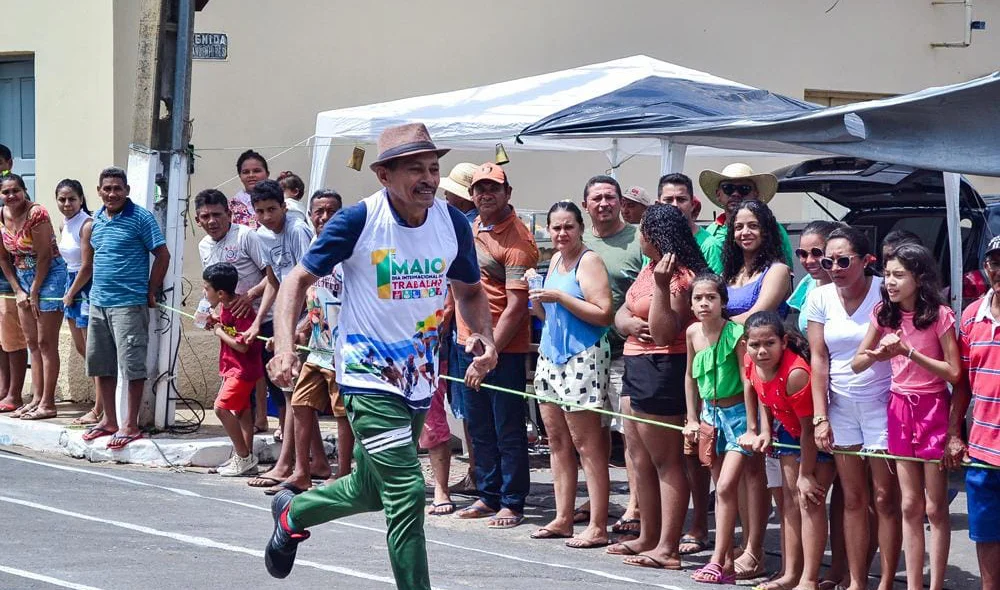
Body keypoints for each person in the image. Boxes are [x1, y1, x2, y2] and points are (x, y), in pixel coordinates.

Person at [263, 122, 497, 589]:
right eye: (416, 169)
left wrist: (483, 337)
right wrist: (286, 346)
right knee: (409, 491)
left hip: (419, 376)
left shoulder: (451, 223)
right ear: (383, 175)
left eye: (433, 168)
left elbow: (470, 291)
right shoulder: (358, 221)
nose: (429, 178)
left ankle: (293, 514)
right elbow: (295, 281)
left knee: (372, 490)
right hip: (366, 374)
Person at [851, 243, 959, 590]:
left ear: (920, 277)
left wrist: (908, 352)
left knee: (934, 507)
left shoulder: (940, 315)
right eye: (889, 275)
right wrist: (879, 354)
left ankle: (936, 584)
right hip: (899, 409)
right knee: (909, 504)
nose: (891, 282)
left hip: (933, 408)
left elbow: (954, 373)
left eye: (900, 275)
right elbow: (857, 362)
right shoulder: (884, 312)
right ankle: (913, 584)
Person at [608, 204, 707, 570]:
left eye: (641, 229)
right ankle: (648, 536)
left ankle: (668, 547)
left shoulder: (678, 276)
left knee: (667, 461)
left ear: (654, 235)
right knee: (638, 458)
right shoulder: (650, 269)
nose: (636, 235)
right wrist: (628, 324)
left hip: (663, 367)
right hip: (637, 363)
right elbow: (622, 310)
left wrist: (662, 289)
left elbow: (666, 332)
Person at [806, 226, 900, 590]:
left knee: (884, 498)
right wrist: (820, 416)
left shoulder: (884, 291)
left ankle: (886, 581)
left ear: (866, 261)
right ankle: (857, 580)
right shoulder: (820, 297)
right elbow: (819, 358)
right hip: (840, 405)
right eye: (829, 260)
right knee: (854, 498)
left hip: (883, 403)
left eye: (844, 260)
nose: (834, 267)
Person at [453, 162, 538, 530]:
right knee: (478, 424)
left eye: (493, 188)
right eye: (479, 189)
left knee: (507, 427)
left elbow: (517, 306)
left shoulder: (518, 240)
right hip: (466, 343)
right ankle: (488, 495)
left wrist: (491, 351)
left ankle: (512, 501)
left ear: (508, 194)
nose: (485, 194)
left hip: (502, 349)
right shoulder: (470, 227)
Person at [527, 200, 613, 548]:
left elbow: (603, 313)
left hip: (583, 356)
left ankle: (598, 524)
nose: (562, 233)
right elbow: (548, 317)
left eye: (568, 227)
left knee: (587, 444)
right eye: (556, 227)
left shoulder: (588, 260)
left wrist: (559, 296)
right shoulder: (555, 262)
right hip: (551, 356)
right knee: (557, 441)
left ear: (580, 228)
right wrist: (538, 297)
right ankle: (562, 518)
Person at [743, 310, 835, 590]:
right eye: (754, 344)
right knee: (790, 504)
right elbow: (761, 393)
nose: (761, 351)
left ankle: (808, 579)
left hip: (817, 437)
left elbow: (809, 430)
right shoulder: (750, 362)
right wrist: (766, 430)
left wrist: (806, 473)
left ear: (783, 342)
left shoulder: (795, 373)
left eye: (769, 343)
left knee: (810, 502)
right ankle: (790, 574)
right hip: (787, 430)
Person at [80, 167, 170, 449]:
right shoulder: (94, 220)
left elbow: (162, 255)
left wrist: (151, 290)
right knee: (102, 365)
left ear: (127, 190)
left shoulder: (141, 217)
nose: (112, 193)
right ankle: (109, 420)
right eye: (106, 188)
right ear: (98, 191)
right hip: (98, 303)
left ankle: (129, 425)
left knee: (131, 366)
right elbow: (89, 263)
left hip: (129, 304)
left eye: (118, 188)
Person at [581, 174, 644, 537]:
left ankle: (635, 505)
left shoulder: (637, 239)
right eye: (596, 199)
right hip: (586, 355)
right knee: (595, 434)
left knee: (630, 435)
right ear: (586, 205)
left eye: (610, 197)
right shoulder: (580, 240)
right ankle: (598, 502)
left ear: (621, 202)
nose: (603, 203)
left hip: (626, 354)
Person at [283, 189, 353, 495]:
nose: (324, 217)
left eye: (331, 211)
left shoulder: (350, 250)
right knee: (300, 403)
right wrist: (300, 326)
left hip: (345, 349)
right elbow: (311, 294)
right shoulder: (313, 249)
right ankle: (302, 471)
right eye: (318, 212)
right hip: (317, 347)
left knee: (342, 411)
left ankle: (343, 472)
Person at [682, 273, 751, 584]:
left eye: (711, 297)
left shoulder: (735, 333)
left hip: (736, 416)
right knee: (719, 487)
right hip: (709, 417)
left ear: (723, 301)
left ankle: (717, 560)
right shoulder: (692, 332)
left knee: (724, 488)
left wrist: (752, 425)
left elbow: (748, 380)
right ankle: (727, 566)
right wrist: (692, 417)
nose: (704, 303)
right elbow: (689, 377)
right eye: (698, 298)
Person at [194, 188, 279, 440]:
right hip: (235, 324)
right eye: (205, 216)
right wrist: (209, 316)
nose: (212, 221)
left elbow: (272, 276)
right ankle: (249, 439)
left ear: (229, 214)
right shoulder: (203, 246)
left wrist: (250, 296)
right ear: (198, 220)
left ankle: (279, 426)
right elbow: (212, 286)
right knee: (243, 380)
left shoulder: (246, 236)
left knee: (273, 378)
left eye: (217, 214)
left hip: (264, 319)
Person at [424, 160, 478, 513]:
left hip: (445, 338)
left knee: (452, 411)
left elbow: (460, 289)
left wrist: (440, 320)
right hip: (428, 336)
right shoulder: (436, 224)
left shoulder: (460, 227)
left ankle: (457, 481)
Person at [252, 179, 315, 477]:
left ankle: (286, 464)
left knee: (295, 394)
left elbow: (309, 280)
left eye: (272, 210)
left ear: (284, 206)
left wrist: (297, 327)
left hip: (306, 318)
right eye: (260, 211)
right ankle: (307, 463)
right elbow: (275, 281)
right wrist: (260, 321)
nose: (267, 217)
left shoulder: (298, 229)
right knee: (295, 394)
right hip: (285, 320)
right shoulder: (262, 235)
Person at [0, 174, 67, 421]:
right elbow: (3, 259)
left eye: (16, 191)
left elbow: (45, 256)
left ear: (24, 191)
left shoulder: (37, 214)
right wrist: (18, 290)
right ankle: (36, 399)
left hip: (48, 277)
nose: (11, 196)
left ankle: (48, 402)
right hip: (22, 278)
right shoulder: (1, 215)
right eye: (6, 192)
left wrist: (36, 290)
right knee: (32, 343)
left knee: (46, 342)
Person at [954, 235, 1000, 590]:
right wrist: (955, 434)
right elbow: (962, 384)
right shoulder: (971, 317)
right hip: (982, 449)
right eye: (995, 262)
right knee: (985, 534)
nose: (999, 270)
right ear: (986, 267)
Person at [203, 262, 263, 477]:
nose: (204, 292)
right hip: (232, 367)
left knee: (220, 408)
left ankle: (243, 455)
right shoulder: (225, 308)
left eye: (206, 288)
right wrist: (216, 321)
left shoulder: (241, 310)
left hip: (242, 369)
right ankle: (245, 458)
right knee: (243, 411)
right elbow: (231, 329)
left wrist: (218, 331)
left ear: (220, 293)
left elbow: (242, 344)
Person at [57, 179, 102, 425]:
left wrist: (71, 292)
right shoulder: (65, 224)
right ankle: (101, 401)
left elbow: (87, 266)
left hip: (83, 288)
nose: (67, 204)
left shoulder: (86, 224)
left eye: (72, 199)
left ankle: (99, 408)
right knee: (82, 348)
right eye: (62, 199)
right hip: (70, 286)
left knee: (93, 351)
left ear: (81, 199)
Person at [698, 163, 794, 267]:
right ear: (718, 194)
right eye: (728, 188)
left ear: (756, 194)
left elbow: (787, 272)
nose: (735, 194)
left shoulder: (774, 229)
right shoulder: (710, 233)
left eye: (744, 189)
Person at [722, 200, 791, 324]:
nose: (745, 232)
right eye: (739, 227)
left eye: (753, 226)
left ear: (766, 231)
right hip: (728, 342)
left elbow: (756, 317)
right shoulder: (728, 274)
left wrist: (717, 324)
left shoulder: (777, 271)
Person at [0, 144, 28, 415]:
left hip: (9, 281)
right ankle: (3, 389)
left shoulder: (16, 202)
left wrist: (18, 285)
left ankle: (14, 393)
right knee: (1, 340)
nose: (9, 195)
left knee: (13, 339)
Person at [657, 172, 723, 274]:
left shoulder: (710, 246)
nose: (675, 205)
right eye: (668, 200)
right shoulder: (654, 243)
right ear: (658, 205)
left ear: (692, 205)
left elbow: (717, 288)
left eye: (681, 200)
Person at [788, 221, 845, 334]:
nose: (809, 261)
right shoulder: (808, 282)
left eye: (817, 253)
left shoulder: (849, 287)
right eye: (803, 254)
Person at [231, 149, 268, 229]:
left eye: (256, 171)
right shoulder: (232, 206)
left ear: (267, 174)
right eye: (246, 172)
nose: (251, 175)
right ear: (240, 176)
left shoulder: (280, 200)